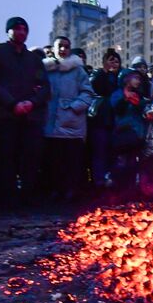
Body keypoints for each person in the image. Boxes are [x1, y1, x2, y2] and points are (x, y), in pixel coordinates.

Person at [0, 17, 50, 205]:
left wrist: (32, 102)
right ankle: (5, 198)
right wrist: (12, 103)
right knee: (5, 158)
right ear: (8, 31)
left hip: (30, 117)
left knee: (29, 158)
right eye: (16, 29)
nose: (21, 32)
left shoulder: (33, 59)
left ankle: (26, 197)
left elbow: (45, 86)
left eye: (24, 29)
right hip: (4, 116)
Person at [42, 36, 95, 201]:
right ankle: (55, 191)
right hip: (50, 124)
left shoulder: (78, 70)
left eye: (66, 46)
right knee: (53, 161)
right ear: (54, 49)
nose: (63, 49)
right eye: (60, 46)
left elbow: (87, 93)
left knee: (72, 162)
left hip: (72, 124)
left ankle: (70, 191)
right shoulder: (46, 70)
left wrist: (73, 107)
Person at [88, 49, 121, 190]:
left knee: (113, 155)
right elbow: (97, 87)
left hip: (116, 123)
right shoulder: (98, 75)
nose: (114, 63)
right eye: (111, 60)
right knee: (99, 154)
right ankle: (99, 184)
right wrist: (107, 73)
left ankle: (112, 184)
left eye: (117, 61)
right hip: (100, 122)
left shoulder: (121, 78)